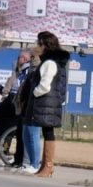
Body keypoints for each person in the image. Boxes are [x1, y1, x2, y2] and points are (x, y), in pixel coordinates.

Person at [22, 31, 71, 177]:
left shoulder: (49, 63)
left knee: (48, 132)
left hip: (46, 103)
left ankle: (48, 166)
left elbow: (45, 86)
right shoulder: (49, 61)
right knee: (47, 132)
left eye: (38, 43)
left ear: (45, 45)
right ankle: (45, 165)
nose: (36, 46)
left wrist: (34, 93)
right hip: (48, 104)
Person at [2, 50, 32, 168]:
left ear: (25, 59)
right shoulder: (17, 73)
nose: (18, 60)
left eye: (20, 58)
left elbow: (22, 88)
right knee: (19, 134)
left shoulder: (28, 72)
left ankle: (24, 161)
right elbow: (9, 87)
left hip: (22, 104)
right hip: (15, 102)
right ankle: (17, 160)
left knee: (23, 135)